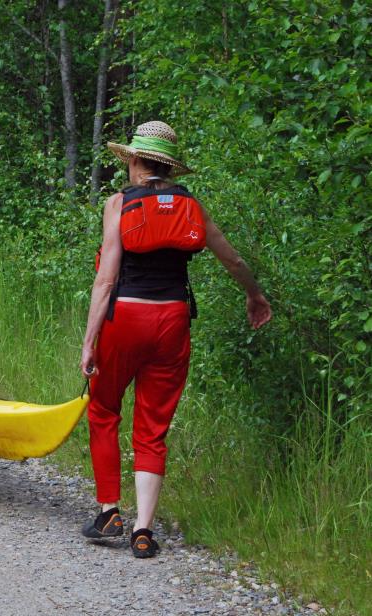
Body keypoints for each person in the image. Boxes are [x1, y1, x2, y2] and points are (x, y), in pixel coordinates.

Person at [79, 121, 272, 558]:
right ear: (167, 166)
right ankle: (143, 531)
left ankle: (110, 509)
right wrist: (255, 295)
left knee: (105, 408)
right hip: (172, 321)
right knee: (153, 428)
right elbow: (233, 258)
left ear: (133, 160)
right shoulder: (190, 205)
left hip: (125, 317)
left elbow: (106, 279)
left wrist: (89, 340)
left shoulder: (118, 204)